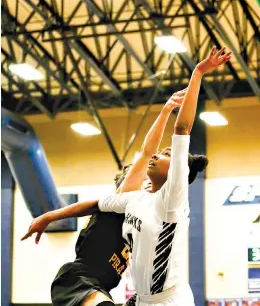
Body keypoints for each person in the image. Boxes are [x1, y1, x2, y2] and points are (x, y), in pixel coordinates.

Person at [22, 90, 190, 306]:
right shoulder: (125, 202)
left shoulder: (147, 222)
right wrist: (48, 217)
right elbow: (147, 152)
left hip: (103, 290)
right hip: (78, 282)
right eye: (142, 181)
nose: (146, 184)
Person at [97, 46, 232, 306]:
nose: (158, 155)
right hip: (144, 298)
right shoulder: (136, 199)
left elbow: (182, 127)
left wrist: (198, 72)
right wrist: (50, 217)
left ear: (177, 172)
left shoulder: (172, 199)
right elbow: (147, 151)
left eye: (168, 154)